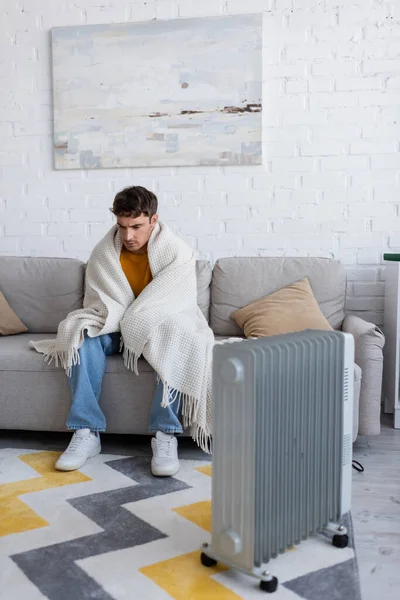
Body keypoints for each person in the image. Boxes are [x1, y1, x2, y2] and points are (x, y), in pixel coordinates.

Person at [30, 186, 215, 477]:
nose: (128, 236)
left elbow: (173, 303)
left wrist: (139, 320)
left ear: (154, 220)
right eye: (122, 226)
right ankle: (86, 432)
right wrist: (120, 321)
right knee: (81, 334)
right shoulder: (104, 252)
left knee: (180, 339)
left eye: (137, 227)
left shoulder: (178, 253)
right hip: (114, 323)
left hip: (160, 324)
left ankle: (165, 435)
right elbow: (100, 302)